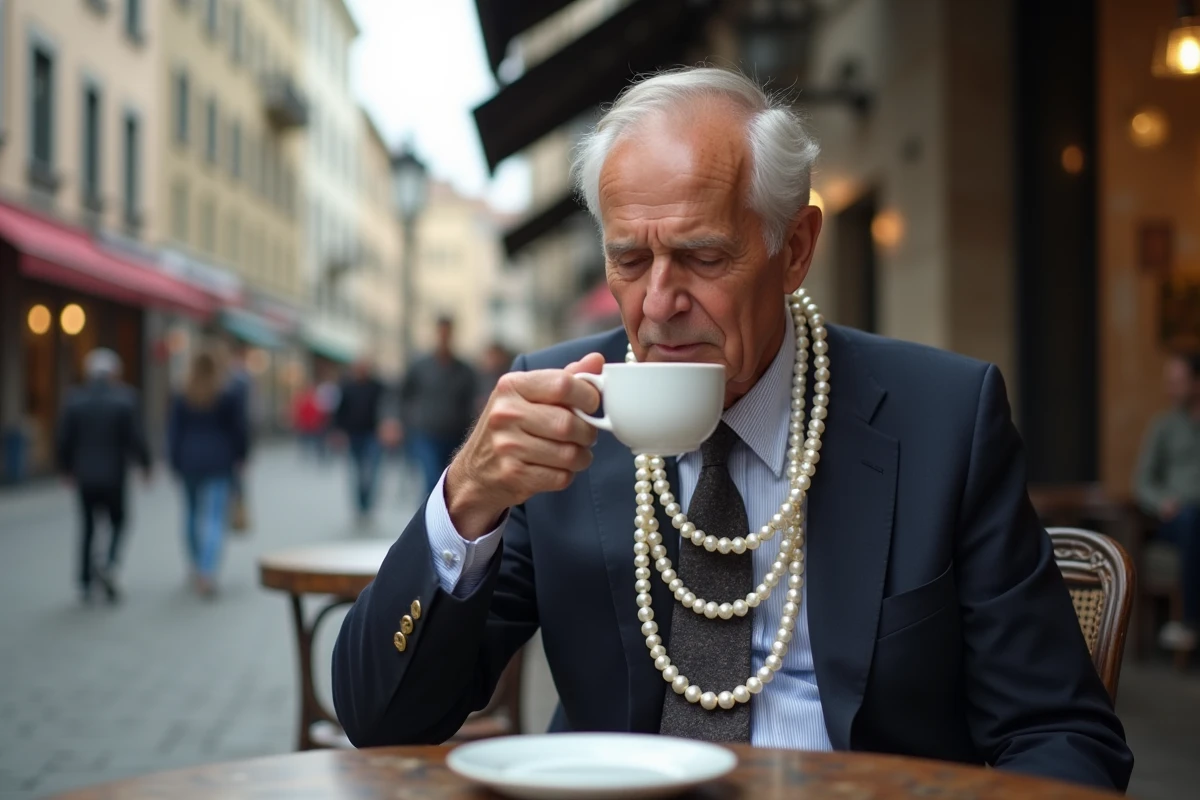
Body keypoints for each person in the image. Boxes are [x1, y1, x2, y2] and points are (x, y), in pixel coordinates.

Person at [331, 67, 1132, 791]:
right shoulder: (566, 412)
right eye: (630, 261)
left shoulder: (941, 419)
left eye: (703, 257)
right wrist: (468, 498)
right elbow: (382, 721)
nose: (659, 303)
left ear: (796, 249)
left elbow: (1062, 736)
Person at [56, 348, 150, 605]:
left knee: (87, 527)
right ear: (113, 373)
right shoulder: (125, 399)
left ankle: (85, 581)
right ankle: (109, 564)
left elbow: (64, 439)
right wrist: (145, 465)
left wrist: (65, 468)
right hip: (114, 475)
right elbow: (135, 437)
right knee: (119, 521)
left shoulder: (75, 400)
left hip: (85, 475)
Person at [1134, 352, 1200, 653]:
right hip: (1177, 519)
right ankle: (1190, 622)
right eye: (1169, 382)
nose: (1170, 389)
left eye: (1177, 381)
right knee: (1190, 520)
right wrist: (1161, 502)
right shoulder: (1164, 426)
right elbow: (1142, 482)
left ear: (1196, 383)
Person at [168, 349, 248, 598]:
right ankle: (207, 571)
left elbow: (174, 431)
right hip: (219, 461)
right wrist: (242, 455)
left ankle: (196, 564)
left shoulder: (183, 393)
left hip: (189, 460)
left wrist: (174, 461)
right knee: (214, 517)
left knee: (192, 514)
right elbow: (239, 430)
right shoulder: (227, 393)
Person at [398, 316, 479, 494]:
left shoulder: (464, 370)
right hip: (425, 433)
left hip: (455, 435)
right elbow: (402, 396)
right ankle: (429, 510)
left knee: (448, 481)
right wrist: (400, 421)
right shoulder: (420, 366)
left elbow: (472, 401)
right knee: (431, 478)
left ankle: (440, 510)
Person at [332, 357, 389, 525]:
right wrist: (338, 432)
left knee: (372, 471)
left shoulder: (378, 387)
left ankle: (368, 504)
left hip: (373, 435)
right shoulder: (347, 388)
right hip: (354, 435)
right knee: (357, 473)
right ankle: (360, 505)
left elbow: (387, 408)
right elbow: (340, 412)